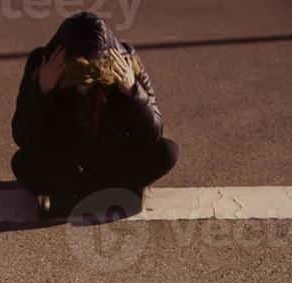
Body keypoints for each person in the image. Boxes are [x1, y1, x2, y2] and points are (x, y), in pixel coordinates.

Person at [11, 12, 179, 220]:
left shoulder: (125, 61)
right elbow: (23, 136)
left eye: (94, 70)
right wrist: (42, 91)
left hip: (112, 155)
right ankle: (116, 195)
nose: (87, 78)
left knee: (167, 151)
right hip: (67, 161)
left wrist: (132, 91)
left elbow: (153, 133)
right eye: (79, 69)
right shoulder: (42, 63)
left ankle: (70, 201)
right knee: (22, 162)